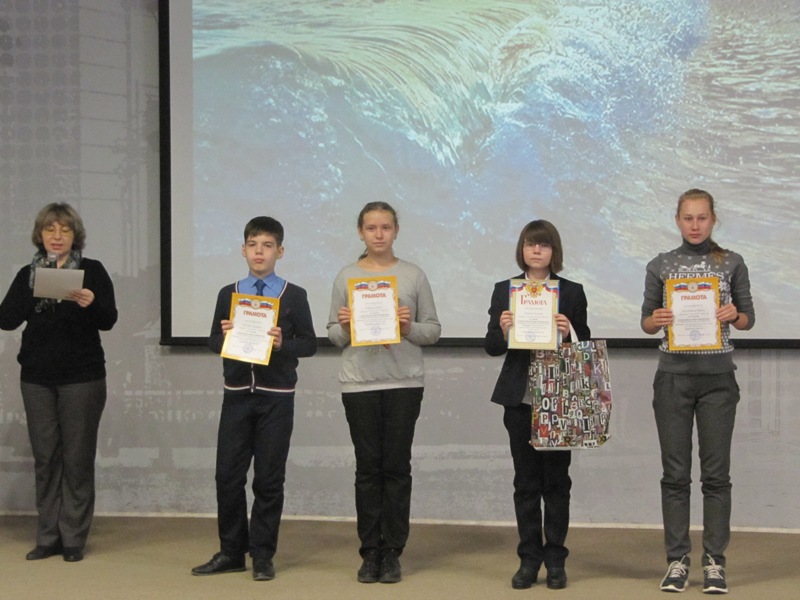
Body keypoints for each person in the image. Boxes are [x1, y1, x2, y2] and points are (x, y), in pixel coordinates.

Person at [641, 189, 754, 594]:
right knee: (675, 476)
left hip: (718, 380)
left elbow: (748, 319)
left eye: (702, 218)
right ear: (677, 220)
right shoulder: (660, 264)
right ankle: (676, 561)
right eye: (688, 218)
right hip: (673, 378)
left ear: (713, 220)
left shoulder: (732, 262)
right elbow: (646, 323)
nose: (695, 225)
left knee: (716, 476)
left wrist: (734, 314)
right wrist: (657, 319)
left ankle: (714, 562)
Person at [192, 216, 317, 581]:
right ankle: (232, 551)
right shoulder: (228, 293)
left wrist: (282, 344)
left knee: (268, 479)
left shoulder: (294, 295)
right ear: (243, 250)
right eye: (252, 245)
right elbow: (212, 341)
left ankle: (262, 554)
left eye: (267, 245)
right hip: (236, 397)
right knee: (227, 477)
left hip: (276, 398)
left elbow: (309, 344)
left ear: (280, 251)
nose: (259, 252)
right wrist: (226, 337)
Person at [327, 201, 441, 584]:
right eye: (371, 228)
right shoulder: (346, 276)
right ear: (360, 232)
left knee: (396, 468)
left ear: (396, 231)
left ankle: (392, 552)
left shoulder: (413, 275)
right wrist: (345, 326)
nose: (379, 234)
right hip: (359, 383)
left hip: (403, 383)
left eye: (386, 227)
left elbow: (433, 330)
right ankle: (369, 552)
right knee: (367, 469)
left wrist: (408, 328)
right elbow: (333, 335)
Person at [0, 203, 118, 563]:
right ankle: (47, 535)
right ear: (40, 235)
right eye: (50, 229)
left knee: (77, 458)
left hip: (82, 377)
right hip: (36, 378)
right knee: (46, 458)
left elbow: (108, 319)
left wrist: (90, 302)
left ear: (74, 235)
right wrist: (34, 287)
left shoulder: (91, 270)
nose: (56, 236)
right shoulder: (28, 273)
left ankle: (73, 537)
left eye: (64, 230)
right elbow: (6, 319)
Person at [484, 219, 590, 590]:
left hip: (559, 400)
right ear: (522, 250)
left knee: (557, 484)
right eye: (531, 244)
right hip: (520, 400)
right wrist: (502, 329)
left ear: (553, 251)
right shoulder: (505, 290)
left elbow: (584, 344)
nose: (537, 250)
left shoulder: (571, 291)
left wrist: (567, 331)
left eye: (544, 245)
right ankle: (528, 560)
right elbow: (492, 347)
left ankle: (556, 560)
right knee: (526, 484)